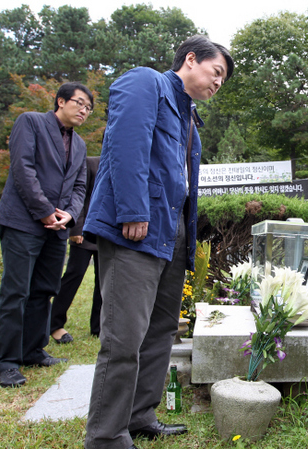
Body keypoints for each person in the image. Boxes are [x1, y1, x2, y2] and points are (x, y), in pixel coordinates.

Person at [83, 35, 234, 449]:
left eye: (223, 79)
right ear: (190, 59)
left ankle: (139, 416)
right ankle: (105, 435)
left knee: (161, 330)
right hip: (138, 227)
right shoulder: (146, 82)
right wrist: (132, 209)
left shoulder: (191, 121)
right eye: (216, 72)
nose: (218, 83)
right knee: (124, 336)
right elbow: (124, 144)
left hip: (172, 233)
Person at [0, 82, 91, 388]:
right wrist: (45, 210)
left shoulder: (81, 145)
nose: (84, 111)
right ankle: (5, 361)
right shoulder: (31, 122)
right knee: (16, 290)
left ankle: (33, 349)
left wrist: (70, 215)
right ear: (60, 101)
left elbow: (79, 187)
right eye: (80, 103)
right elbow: (23, 169)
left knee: (45, 289)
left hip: (58, 228)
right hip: (24, 222)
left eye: (89, 107)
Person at [50, 156, 102, 343]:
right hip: (84, 231)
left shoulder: (124, 166)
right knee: (74, 274)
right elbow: (79, 195)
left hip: (106, 234)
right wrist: (76, 227)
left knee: (103, 281)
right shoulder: (91, 163)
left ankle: (98, 327)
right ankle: (54, 323)